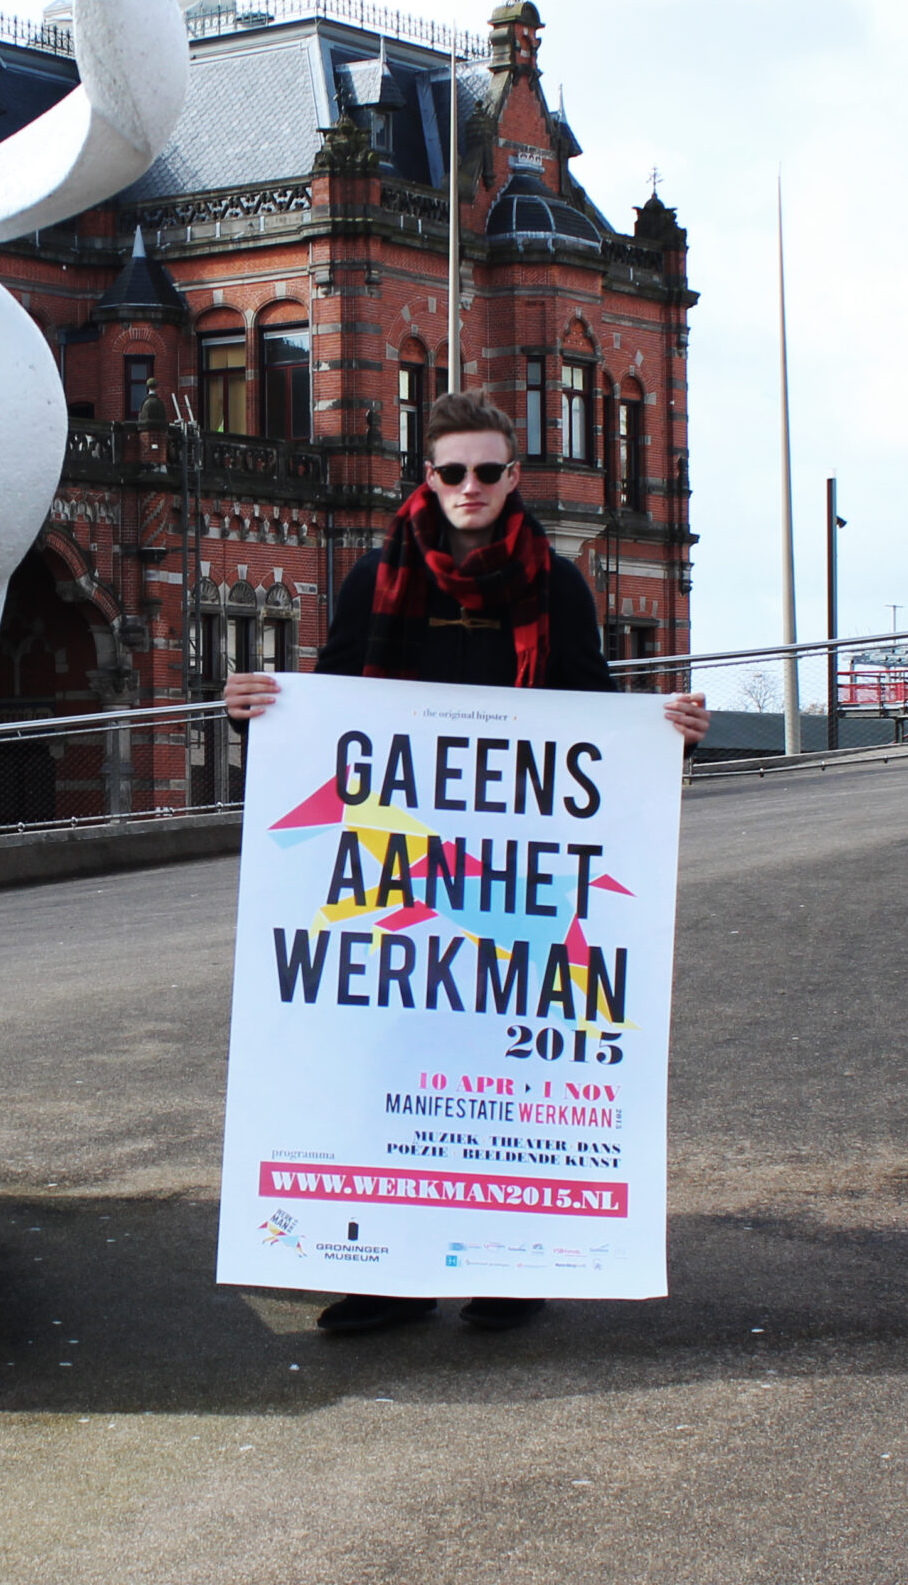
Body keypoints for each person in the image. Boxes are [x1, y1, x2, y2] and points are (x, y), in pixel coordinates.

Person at [224, 390, 709, 1337]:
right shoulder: (375, 580)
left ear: (514, 477)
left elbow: (592, 722)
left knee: (503, 1067)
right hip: (401, 863)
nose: (471, 488)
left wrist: (667, 739)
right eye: (453, 472)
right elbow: (334, 715)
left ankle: (506, 1263)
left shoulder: (557, 586)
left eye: (489, 471)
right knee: (394, 1053)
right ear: (427, 477)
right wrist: (260, 712)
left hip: (512, 874)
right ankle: (387, 1276)